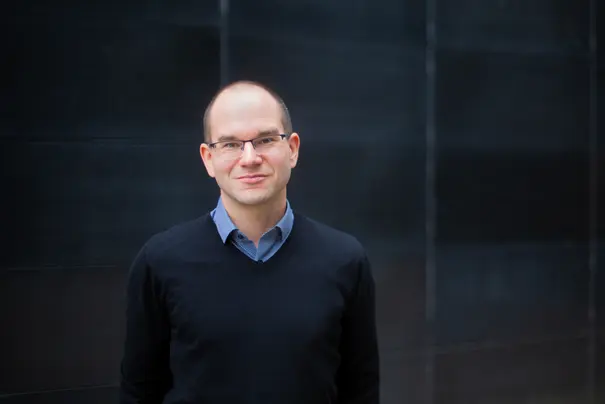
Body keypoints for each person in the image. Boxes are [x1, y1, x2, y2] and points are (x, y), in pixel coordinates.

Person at [119, 80, 380, 404]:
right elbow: (138, 392)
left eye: (266, 140)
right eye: (230, 144)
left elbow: (361, 391)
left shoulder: (345, 260)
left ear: (293, 149)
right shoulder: (160, 261)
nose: (250, 158)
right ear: (208, 158)